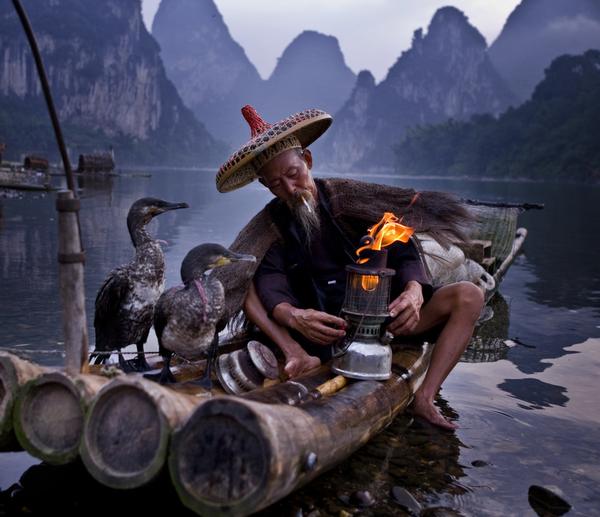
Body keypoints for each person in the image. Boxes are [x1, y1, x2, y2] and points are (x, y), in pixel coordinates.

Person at [215, 105, 484, 430]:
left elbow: (404, 248)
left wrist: (414, 293)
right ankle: (298, 361)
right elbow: (270, 282)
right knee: (249, 285)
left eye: (293, 174)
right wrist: (295, 318)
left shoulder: (351, 200)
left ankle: (425, 398)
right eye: (274, 184)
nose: (289, 189)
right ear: (265, 185)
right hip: (324, 337)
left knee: (469, 297)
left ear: (308, 161)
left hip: (383, 324)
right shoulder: (272, 227)